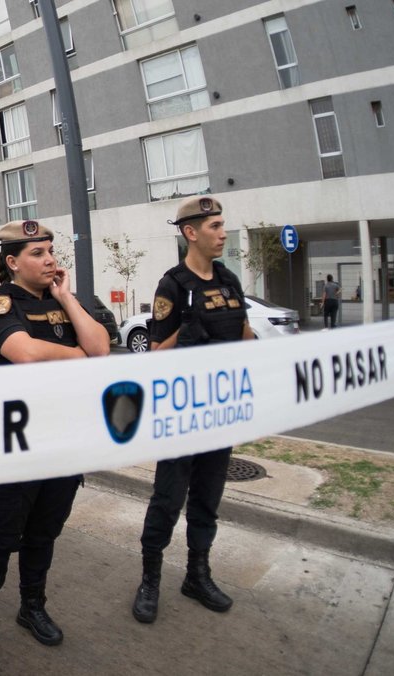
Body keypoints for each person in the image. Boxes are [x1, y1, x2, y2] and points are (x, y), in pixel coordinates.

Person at [0, 219, 111, 667]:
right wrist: (80, 356)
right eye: (37, 254)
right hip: (13, 444)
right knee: (1, 537)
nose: (49, 260)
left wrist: (67, 297)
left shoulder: (70, 302)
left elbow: (103, 347)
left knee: (44, 533)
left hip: (62, 440)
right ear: (12, 262)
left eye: (50, 251)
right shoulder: (0, 304)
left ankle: (32, 607)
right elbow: (24, 354)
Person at [131, 195, 254, 625]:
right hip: (182, 413)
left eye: (222, 226)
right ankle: (150, 580)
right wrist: (187, 333)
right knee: (167, 499)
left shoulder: (229, 281)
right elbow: (157, 355)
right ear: (190, 232)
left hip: (219, 411)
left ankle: (197, 575)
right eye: (215, 226)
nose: (223, 233)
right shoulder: (173, 285)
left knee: (207, 500)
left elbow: (245, 337)